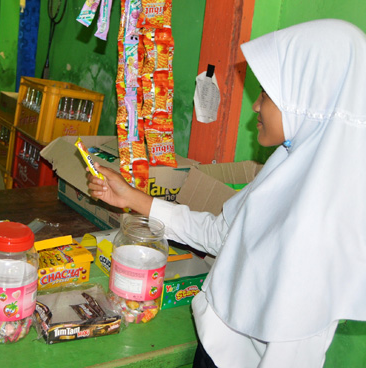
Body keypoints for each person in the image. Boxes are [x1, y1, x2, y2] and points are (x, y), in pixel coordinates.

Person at [88, 19, 366, 367]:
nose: (255, 106)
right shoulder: (288, 165)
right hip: (213, 348)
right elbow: (224, 234)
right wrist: (133, 199)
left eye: (266, 94)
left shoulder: (324, 226)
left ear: (307, 101)